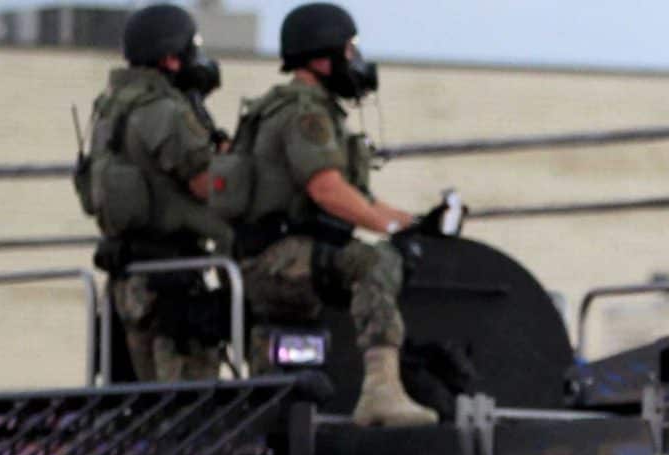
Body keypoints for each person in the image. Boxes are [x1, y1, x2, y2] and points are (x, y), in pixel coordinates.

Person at [227, 3, 438, 427]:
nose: (356, 62)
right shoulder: (306, 114)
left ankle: (273, 415)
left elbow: (357, 199)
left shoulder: (295, 107)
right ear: (323, 58)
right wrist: (388, 230)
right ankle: (381, 391)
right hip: (277, 257)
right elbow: (326, 189)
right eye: (350, 50)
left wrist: (414, 224)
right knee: (374, 261)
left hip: (274, 255)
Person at [75, 4, 232, 382]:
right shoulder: (165, 111)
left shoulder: (109, 110)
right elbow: (205, 183)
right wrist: (233, 163)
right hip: (172, 284)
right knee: (191, 410)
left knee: (136, 408)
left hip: (125, 283)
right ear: (171, 58)